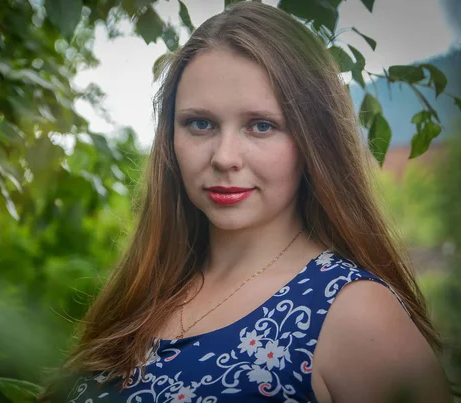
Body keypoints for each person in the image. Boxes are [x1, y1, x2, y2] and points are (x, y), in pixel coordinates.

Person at [50, 2, 452, 402]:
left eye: (261, 125)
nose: (224, 157)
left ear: (314, 140)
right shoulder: (143, 291)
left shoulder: (355, 313)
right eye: (200, 123)